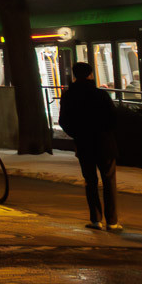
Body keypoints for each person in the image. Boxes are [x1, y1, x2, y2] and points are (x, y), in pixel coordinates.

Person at [59, 60, 122, 231]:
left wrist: (78, 134)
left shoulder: (68, 96)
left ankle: (96, 219)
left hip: (84, 144)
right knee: (109, 181)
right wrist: (105, 132)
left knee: (90, 181)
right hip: (104, 143)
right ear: (90, 75)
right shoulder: (100, 95)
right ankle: (112, 221)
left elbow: (64, 121)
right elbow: (113, 118)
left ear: (75, 75)